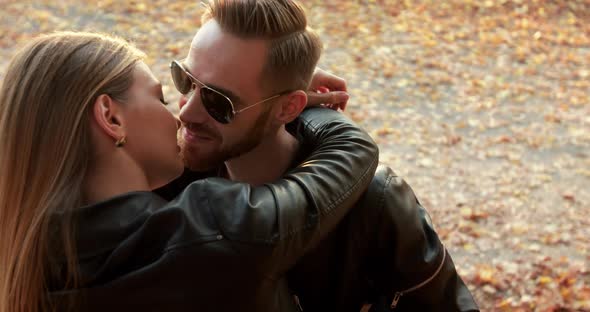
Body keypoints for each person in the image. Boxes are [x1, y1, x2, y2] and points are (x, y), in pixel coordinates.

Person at [0, 31, 379, 312]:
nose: (179, 115)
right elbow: (353, 152)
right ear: (111, 117)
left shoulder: (24, 256)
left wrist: (261, 93)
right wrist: (289, 105)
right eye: (160, 98)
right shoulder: (209, 229)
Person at [156, 0, 479, 311]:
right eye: (185, 80)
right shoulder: (167, 173)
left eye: (219, 102)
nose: (187, 111)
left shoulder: (376, 204)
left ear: (288, 107)